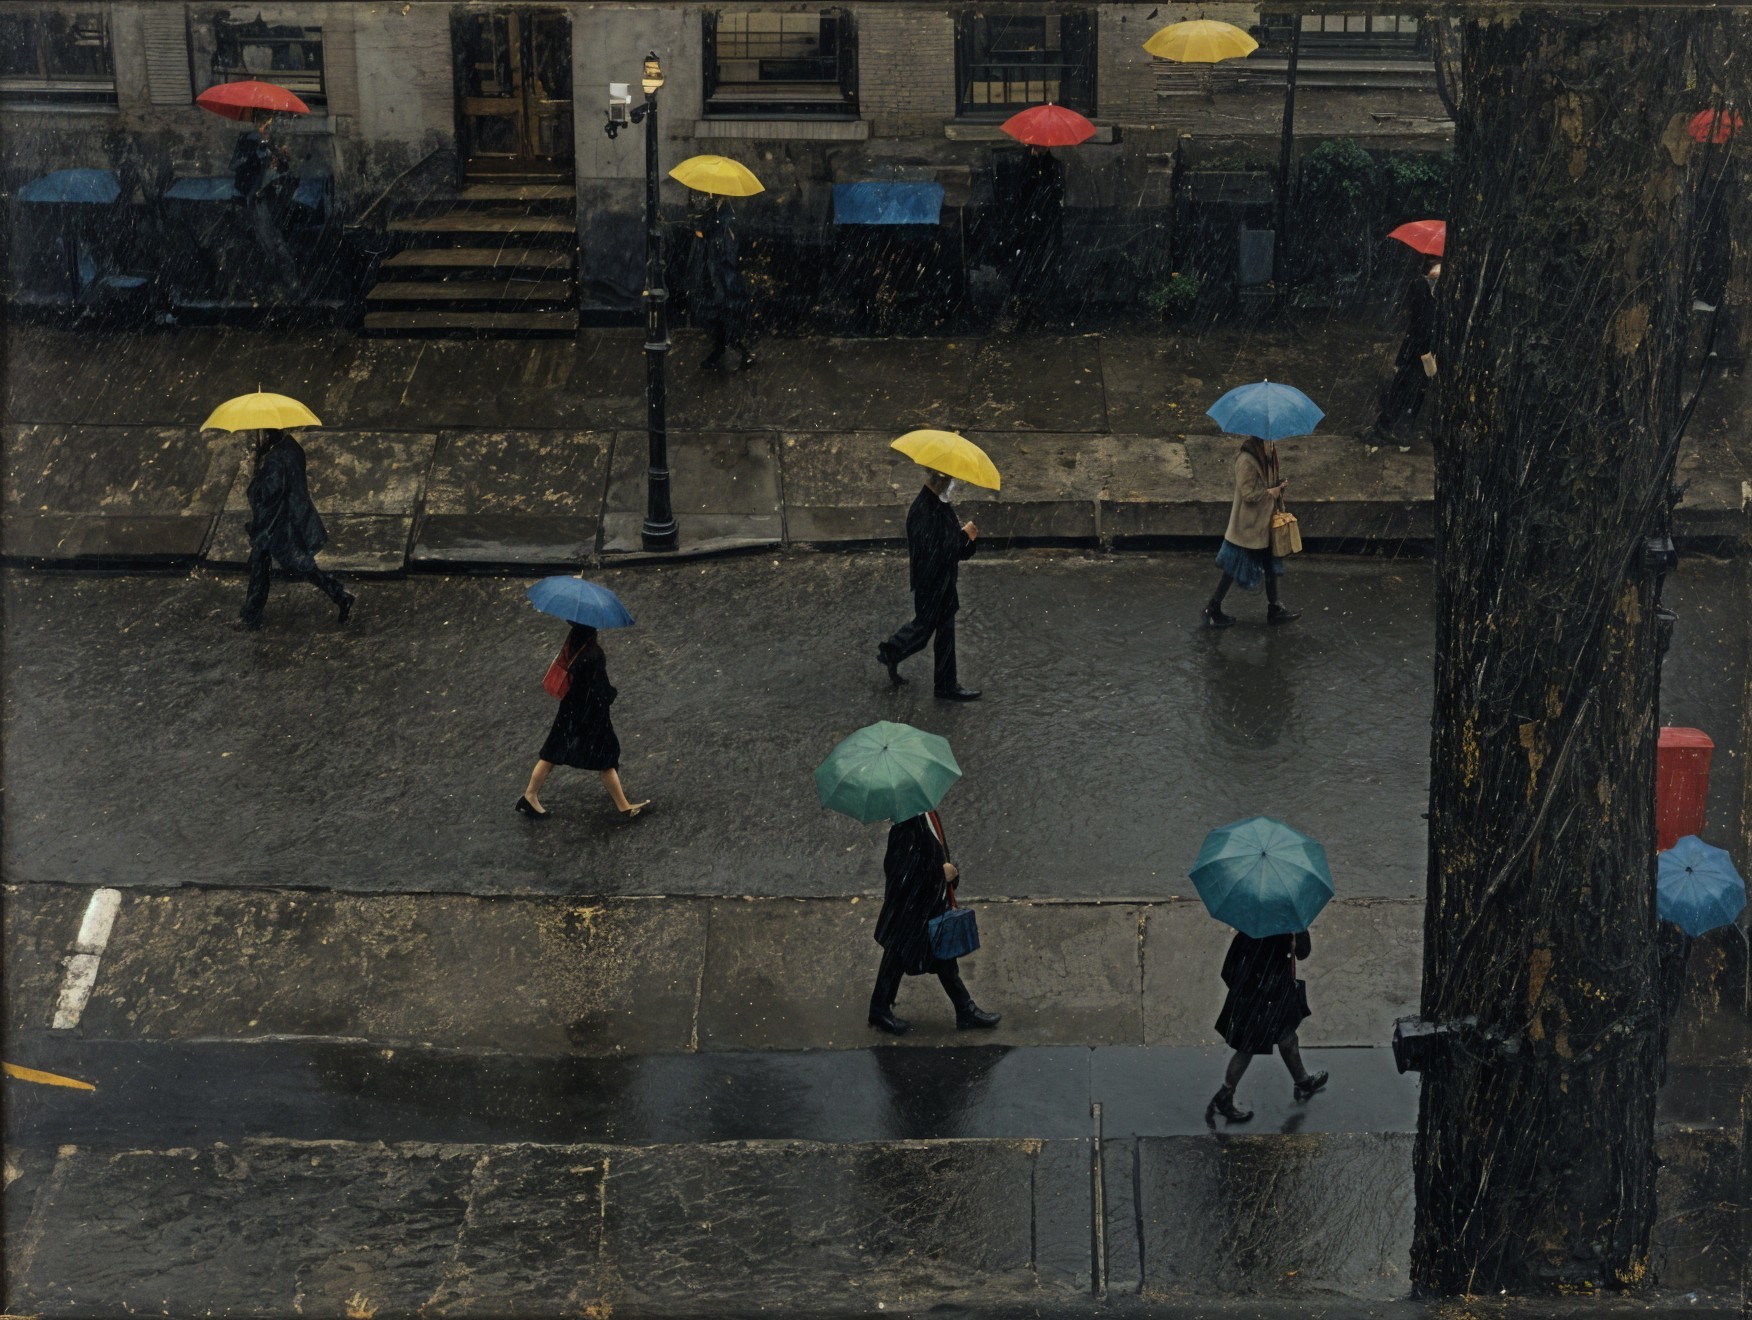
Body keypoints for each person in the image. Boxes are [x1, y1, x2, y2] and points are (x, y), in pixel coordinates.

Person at [869, 806, 999, 1035]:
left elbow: (936, 853)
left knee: (937, 959)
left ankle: (964, 1009)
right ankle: (880, 1010)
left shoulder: (926, 815)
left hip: (923, 908)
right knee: (899, 957)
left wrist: (949, 874)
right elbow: (901, 873)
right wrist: (940, 874)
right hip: (910, 913)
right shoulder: (905, 827)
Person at [519, 623, 649, 820]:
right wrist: (610, 694)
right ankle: (624, 807)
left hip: (570, 710)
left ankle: (530, 796)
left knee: (552, 753)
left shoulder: (573, 646)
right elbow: (600, 688)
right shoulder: (593, 654)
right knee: (606, 758)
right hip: (592, 714)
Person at [876, 469, 981, 699]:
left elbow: (954, 549)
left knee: (943, 633)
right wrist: (965, 537)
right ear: (940, 480)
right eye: (949, 479)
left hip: (942, 583)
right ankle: (894, 653)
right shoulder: (923, 511)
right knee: (924, 630)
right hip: (931, 584)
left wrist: (968, 539)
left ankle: (945, 685)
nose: (951, 484)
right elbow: (940, 552)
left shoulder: (939, 506)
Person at [1206, 928, 1329, 1123]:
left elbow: (1228, 971)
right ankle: (1224, 1095)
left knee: (1287, 1038)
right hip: (1263, 1001)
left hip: (1268, 999)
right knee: (1247, 1048)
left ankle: (1302, 1081)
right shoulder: (1282, 931)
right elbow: (1302, 953)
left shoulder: (1250, 931)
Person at [239, 428, 352, 631]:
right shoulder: (292, 447)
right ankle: (251, 615)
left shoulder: (275, 458)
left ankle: (340, 595)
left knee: (298, 565)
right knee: (262, 566)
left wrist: (255, 476)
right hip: (284, 520)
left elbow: (267, 493)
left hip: (276, 526)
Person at [1205, 437, 1298, 627]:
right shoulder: (1246, 460)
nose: (1272, 443)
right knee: (1232, 567)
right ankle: (1213, 608)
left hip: (1264, 524)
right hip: (1247, 527)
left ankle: (1274, 609)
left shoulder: (1268, 456)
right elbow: (1248, 494)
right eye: (1268, 440)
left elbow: (1266, 486)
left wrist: (1279, 486)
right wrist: (1273, 491)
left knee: (1270, 564)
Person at [1366, 257, 1439, 442]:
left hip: (1427, 347)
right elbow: (1422, 317)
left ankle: (1404, 426)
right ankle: (1386, 425)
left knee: (1420, 389)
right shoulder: (1419, 285)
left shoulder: (1438, 289)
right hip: (1415, 347)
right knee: (1403, 386)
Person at [230, 108, 301, 300]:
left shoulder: (269, 142)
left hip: (271, 197)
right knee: (269, 242)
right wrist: (260, 157)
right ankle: (280, 285)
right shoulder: (249, 141)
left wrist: (280, 159)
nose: (267, 129)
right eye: (265, 125)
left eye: (268, 126)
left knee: (275, 241)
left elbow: (282, 168)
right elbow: (238, 166)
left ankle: (285, 284)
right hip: (256, 197)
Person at [688, 194, 754, 370]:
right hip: (715, 274)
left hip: (724, 275)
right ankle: (721, 349)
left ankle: (743, 352)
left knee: (727, 313)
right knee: (718, 314)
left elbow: (728, 249)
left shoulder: (728, 216)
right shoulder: (715, 212)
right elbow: (707, 234)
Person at [1009, 145, 1064, 325]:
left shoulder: (1053, 165)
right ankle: (1026, 301)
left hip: (1047, 219)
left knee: (1044, 261)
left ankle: (1039, 302)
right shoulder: (1026, 164)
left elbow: (1057, 191)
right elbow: (1021, 192)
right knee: (1029, 259)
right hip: (1030, 221)